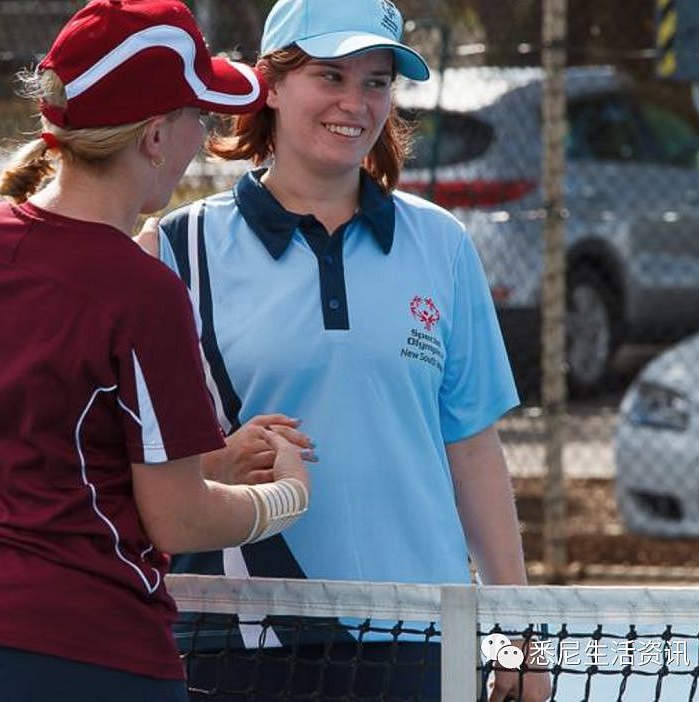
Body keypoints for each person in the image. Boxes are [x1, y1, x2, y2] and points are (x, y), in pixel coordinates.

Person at [0, 2, 316, 701]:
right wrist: (285, 496)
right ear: (154, 136)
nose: (199, 139)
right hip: (80, 649)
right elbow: (177, 519)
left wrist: (213, 458)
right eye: (196, 119)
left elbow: (56, 441)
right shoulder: (142, 291)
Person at [138, 0, 551, 699]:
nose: (355, 103)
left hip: (421, 635)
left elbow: (473, 452)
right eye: (330, 75)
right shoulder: (176, 251)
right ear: (270, 83)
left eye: (376, 81)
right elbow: (136, 460)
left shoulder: (443, 245)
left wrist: (514, 629)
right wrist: (221, 458)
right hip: (237, 637)